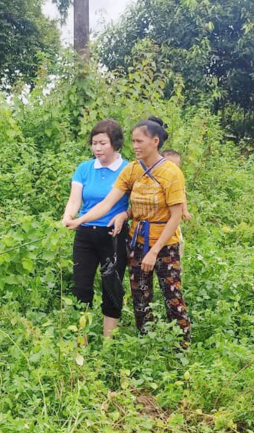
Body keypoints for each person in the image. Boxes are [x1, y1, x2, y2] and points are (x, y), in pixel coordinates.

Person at [67, 117, 190, 344]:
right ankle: (146, 345)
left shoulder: (171, 173)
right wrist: (81, 220)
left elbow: (175, 216)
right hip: (137, 242)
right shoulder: (132, 170)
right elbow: (107, 203)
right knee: (141, 298)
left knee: (172, 297)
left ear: (154, 141)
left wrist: (155, 251)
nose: (135, 146)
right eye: (133, 141)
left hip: (163, 244)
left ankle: (182, 348)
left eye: (139, 141)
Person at [61, 119, 130, 339]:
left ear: (115, 144)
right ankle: (81, 338)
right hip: (85, 235)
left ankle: (107, 343)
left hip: (113, 235)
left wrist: (125, 214)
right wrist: (68, 216)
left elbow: (132, 204)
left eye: (102, 143)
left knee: (111, 285)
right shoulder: (84, 168)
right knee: (82, 286)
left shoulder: (128, 170)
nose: (97, 148)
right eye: (94, 143)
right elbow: (75, 200)